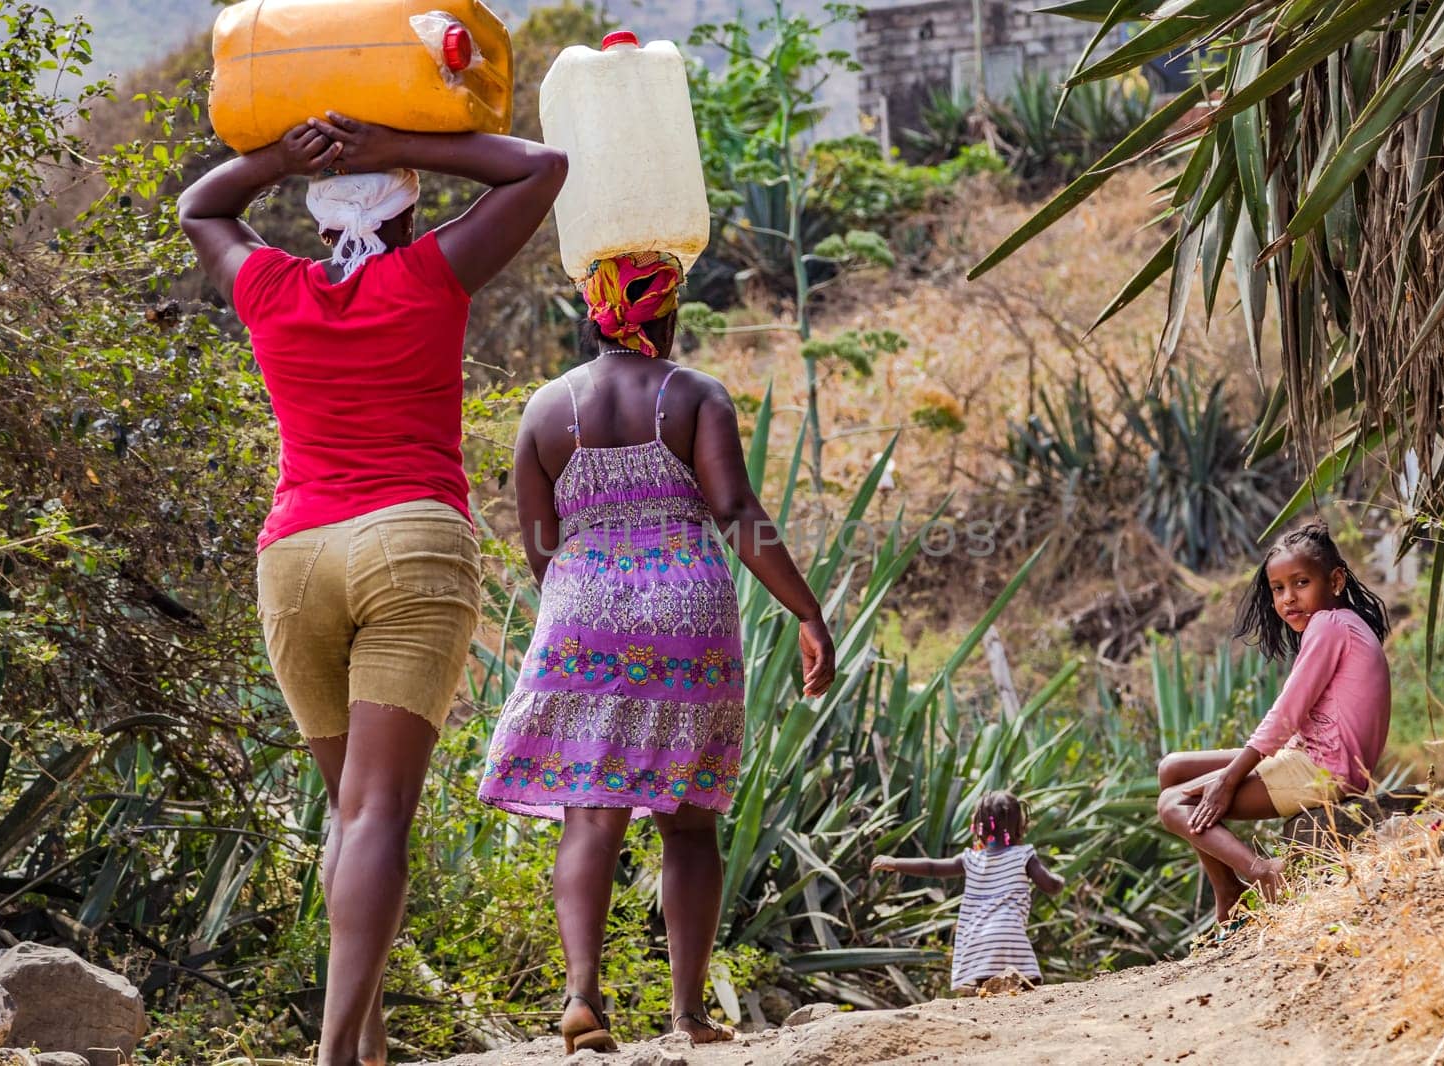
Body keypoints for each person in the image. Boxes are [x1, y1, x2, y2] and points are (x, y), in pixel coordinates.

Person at [178, 114, 566, 1066]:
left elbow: (201, 204)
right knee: (377, 811)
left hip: (295, 560)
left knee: (347, 810)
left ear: (316, 225)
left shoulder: (271, 286)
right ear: (408, 214)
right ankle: (337, 1053)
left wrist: (286, 159)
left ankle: (369, 1040)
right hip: (412, 546)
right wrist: (394, 142)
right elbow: (539, 169)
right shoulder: (429, 273)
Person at [477, 250, 836, 1053]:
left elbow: (538, 541)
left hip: (581, 603)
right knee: (687, 822)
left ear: (595, 315)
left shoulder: (543, 408)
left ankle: (580, 999)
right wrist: (806, 611)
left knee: (589, 810)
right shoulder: (695, 395)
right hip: (687, 607)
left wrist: (580, 594)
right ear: (666, 316)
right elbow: (737, 509)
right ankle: (688, 1016)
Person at [1155, 520, 1392, 932]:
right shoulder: (1343, 623)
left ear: (1335, 580)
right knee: (1172, 768)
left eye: (1301, 583)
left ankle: (1264, 873)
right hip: (1316, 759)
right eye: (1278, 589)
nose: (1288, 598)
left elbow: (1286, 714)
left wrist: (1228, 780)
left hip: (1322, 771)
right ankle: (1228, 893)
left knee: (1173, 804)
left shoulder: (1329, 625)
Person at [870, 790, 1064, 993]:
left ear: (979, 825)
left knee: (986, 990)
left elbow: (932, 867)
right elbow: (1049, 885)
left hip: (977, 939)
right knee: (1026, 989)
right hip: (1010, 935)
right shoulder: (1024, 856)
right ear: (1019, 825)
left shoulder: (971, 859)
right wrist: (1059, 882)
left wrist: (895, 863)